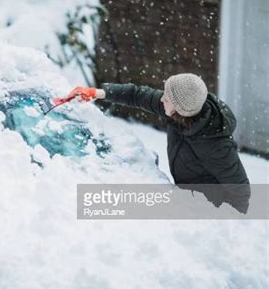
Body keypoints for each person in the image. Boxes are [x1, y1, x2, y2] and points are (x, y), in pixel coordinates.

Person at [67, 73, 251, 214]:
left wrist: (222, 222)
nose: (162, 99)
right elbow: (136, 95)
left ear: (181, 109)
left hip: (204, 212)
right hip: (184, 198)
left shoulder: (215, 146)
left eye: (167, 98)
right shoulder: (176, 112)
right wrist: (96, 93)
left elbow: (242, 193)